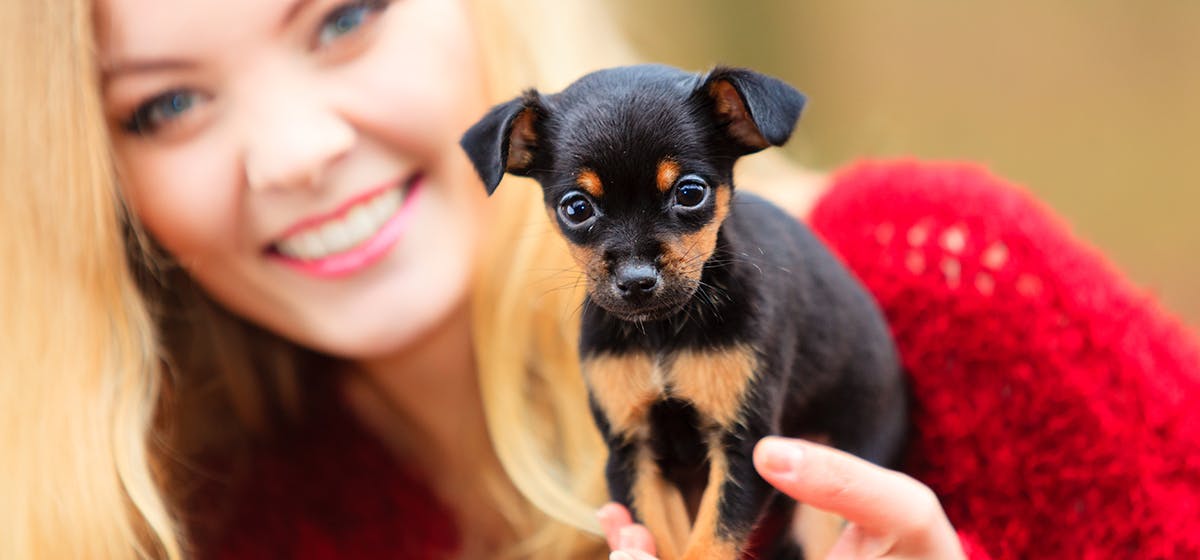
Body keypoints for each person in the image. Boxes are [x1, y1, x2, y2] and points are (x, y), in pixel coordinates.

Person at [3, 1, 1198, 560]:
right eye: (165, 102)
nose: (295, 151)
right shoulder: (194, 514)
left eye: (344, 15)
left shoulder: (946, 283)